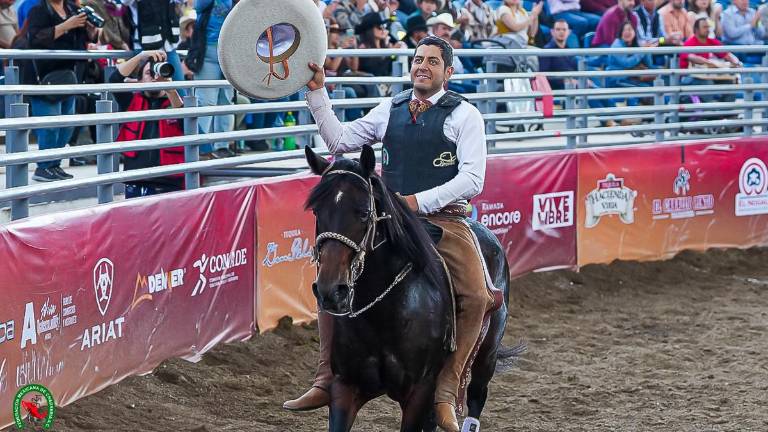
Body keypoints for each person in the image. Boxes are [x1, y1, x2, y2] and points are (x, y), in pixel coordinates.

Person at [284, 35, 497, 432]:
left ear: (448, 72)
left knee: (478, 294)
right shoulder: (391, 107)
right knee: (333, 275)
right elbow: (340, 142)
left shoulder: (465, 115)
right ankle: (327, 376)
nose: (423, 66)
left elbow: (472, 178)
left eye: (433, 62)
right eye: (418, 59)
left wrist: (418, 202)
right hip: (390, 220)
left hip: (445, 221)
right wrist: (318, 94)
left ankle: (447, 390)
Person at [25, 0, 98, 181]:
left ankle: (54, 165)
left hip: (69, 75)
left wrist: (91, 29)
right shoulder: (38, 11)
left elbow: (85, 39)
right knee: (50, 126)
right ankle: (43, 167)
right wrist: (66, 25)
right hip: (44, 76)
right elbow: (35, 39)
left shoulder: (73, 9)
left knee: (67, 126)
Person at [110, 50, 185, 198]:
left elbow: (188, 126)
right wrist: (140, 57)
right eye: (149, 73)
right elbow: (114, 80)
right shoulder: (130, 101)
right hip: (137, 180)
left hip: (169, 182)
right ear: (139, 80)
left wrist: (171, 91)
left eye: (158, 73)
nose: (154, 78)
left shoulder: (178, 103)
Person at [539, 20, 616, 118]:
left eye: (564, 29)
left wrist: (583, 80)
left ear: (569, 32)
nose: (561, 32)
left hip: (574, 84)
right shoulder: (547, 51)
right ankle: (607, 120)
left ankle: (618, 117)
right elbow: (544, 77)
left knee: (597, 89)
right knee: (586, 90)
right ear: (552, 32)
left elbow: (576, 69)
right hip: (559, 87)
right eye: (558, 29)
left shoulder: (569, 50)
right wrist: (566, 80)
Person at [194, 0, 235, 158]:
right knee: (206, 100)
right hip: (208, 50)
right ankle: (202, 147)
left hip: (231, 50)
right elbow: (199, 7)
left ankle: (222, 146)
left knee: (226, 99)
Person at [122, 0, 185, 85]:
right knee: (145, 89)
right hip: (144, 48)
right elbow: (125, 2)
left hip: (169, 46)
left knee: (179, 87)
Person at [680, 17, 740, 102]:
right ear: (696, 29)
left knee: (729, 83)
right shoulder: (689, 43)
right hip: (689, 77)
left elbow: (727, 54)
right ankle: (707, 114)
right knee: (708, 83)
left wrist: (735, 62)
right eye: (704, 27)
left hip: (707, 75)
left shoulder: (711, 41)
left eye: (708, 27)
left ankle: (727, 113)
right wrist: (709, 63)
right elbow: (692, 57)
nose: (707, 29)